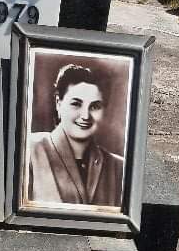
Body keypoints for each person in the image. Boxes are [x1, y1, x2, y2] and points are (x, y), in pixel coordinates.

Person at [27, 63, 123, 209]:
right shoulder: (29, 150)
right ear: (58, 103)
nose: (85, 116)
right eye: (76, 104)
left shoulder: (119, 167)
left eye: (95, 106)